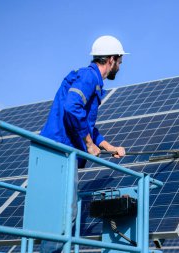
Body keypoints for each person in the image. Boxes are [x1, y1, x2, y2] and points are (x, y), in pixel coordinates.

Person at [39, 35, 127, 252]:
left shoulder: (93, 82)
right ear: (112, 59)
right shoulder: (89, 77)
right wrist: (89, 144)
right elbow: (72, 107)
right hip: (59, 151)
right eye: (121, 61)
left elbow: (85, 124)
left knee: (64, 214)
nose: (121, 65)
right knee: (62, 215)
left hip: (62, 152)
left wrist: (108, 147)